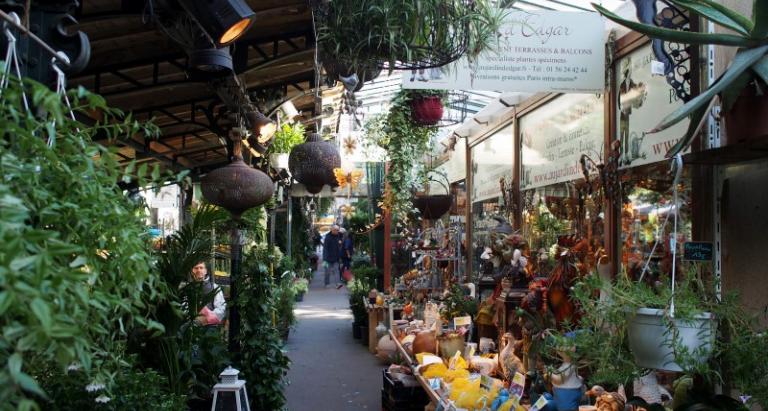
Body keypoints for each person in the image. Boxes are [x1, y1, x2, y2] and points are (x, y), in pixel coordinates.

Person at [189, 261, 226, 326]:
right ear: (192, 271)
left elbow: (221, 308)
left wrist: (207, 319)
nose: (198, 270)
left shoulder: (214, 287)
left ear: (206, 271)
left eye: (201, 268)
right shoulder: (187, 288)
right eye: (196, 268)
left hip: (209, 328)